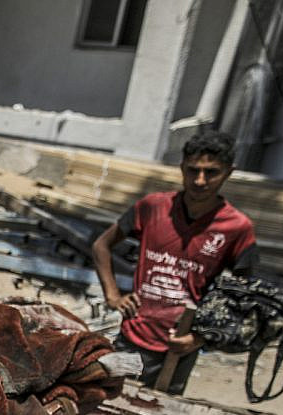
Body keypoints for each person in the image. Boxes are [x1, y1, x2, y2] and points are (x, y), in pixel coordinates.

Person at [92, 130, 257, 395]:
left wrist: (200, 338)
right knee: (110, 403)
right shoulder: (153, 207)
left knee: (160, 411)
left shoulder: (236, 228)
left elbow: (243, 295)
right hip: (132, 336)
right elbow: (101, 245)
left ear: (228, 172)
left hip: (179, 348)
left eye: (211, 172)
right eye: (193, 170)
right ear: (182, 168)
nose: (200, 180)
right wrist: (113, 295)